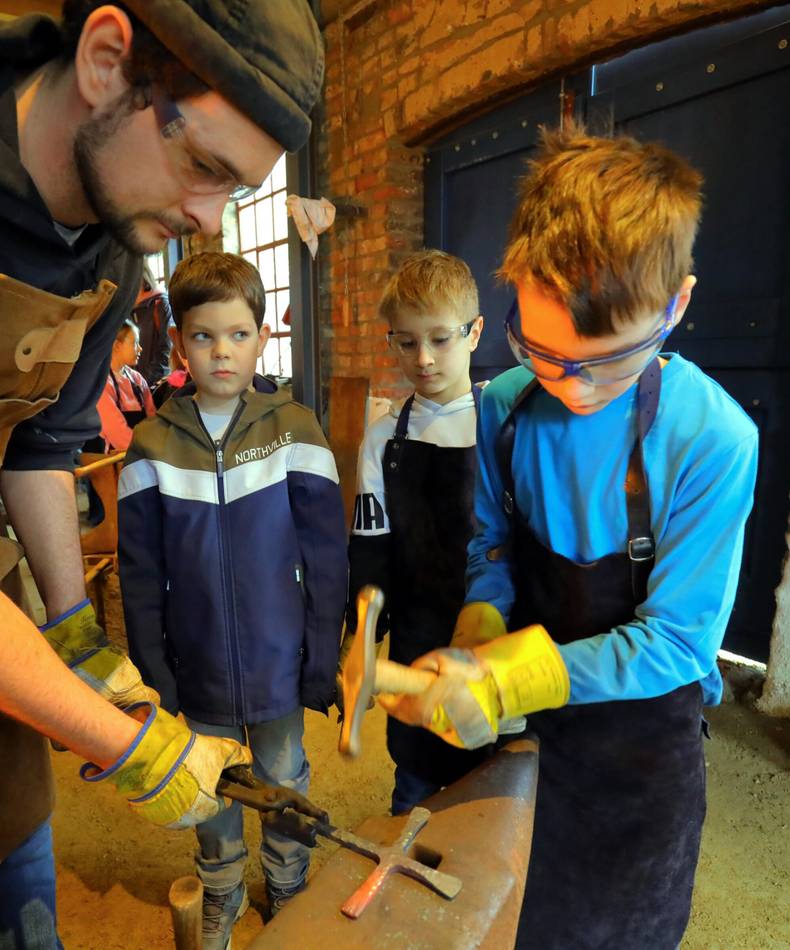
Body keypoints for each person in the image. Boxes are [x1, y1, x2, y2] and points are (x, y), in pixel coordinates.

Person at [0, 0, 324, 946]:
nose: (206, 217)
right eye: (204, 167)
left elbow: (41, 443)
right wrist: (132, 745)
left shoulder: (114, 238)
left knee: (9, 853)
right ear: (107, 60)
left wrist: (71, 633)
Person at [380, 127, 758, 949]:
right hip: (539, 747)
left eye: (606, 362)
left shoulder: (711, 439)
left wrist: (507, 679)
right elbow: (490, 551)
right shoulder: (505, 409)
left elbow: (677, 645)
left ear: (676, 304)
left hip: (641, 759)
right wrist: (478, 633)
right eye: (544, 352)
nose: (572, 387)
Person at [117, 252, 347, 949]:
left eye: (239, 334)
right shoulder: (150, 445)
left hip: (281, 657)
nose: (222, 351)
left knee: (282, 776)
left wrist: (322, 653)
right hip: (198, 664)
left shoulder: (295, 429)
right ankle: (220, 889)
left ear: (261, 338)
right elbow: (137, 570)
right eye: (205, 336)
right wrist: (153, 669)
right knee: (210, 783)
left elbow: (328, 557)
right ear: (180, 342)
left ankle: (287, 882)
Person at [347, 250, 503, 815]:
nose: (424, 358)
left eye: (440, 338)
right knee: (414, 781)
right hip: (414, 632)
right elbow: (371, 542)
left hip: (488, 631)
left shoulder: (502, 425)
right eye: (407, 341)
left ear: (474, 332)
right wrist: (361, 628)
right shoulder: (384, 437)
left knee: (488, 788)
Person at [95, 319, 158, 452]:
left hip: (146, 452)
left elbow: (153, 419)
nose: (140, 349)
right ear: (117, 345)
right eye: (135, 343)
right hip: (121, 459)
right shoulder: (102, 383)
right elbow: (118, 435)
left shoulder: (137, 379)